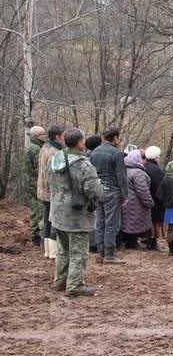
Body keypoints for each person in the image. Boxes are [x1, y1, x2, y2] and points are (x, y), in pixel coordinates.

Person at [47, 128, 103, 297]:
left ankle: (60, 281)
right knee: (78, 253)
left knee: (63, 250)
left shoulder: (54, 158)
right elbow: (94, 191)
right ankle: (75, 285)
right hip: (77, 217)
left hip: (57, 212)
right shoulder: (83, 164)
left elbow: (47, 179)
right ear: (79, 142)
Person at [89, 128, 128, 264]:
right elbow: (122, 176)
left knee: (100, 222)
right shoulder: (117, 153)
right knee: (111, 224)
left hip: (97, 190)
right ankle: (110, 255)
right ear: (115, 138)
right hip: (112, 191)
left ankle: (100, 253)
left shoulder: (94, 152)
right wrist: (125, 194)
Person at [37, 124, 65, 259]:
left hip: (43, 190)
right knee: (53, 222)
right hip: (51, 192)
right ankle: (53, 252)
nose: (64, 138)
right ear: (57, 136)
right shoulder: (55, 152)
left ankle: (48, 251)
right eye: (63, 135)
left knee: (47, 220)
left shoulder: (44, 147)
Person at [121, 150, 154, 249]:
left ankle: (128, 241)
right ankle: (132, 243)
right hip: (136, 204)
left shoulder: (123, 169)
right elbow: (143, 191)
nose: (144, 161)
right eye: (142, 158)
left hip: (124, 202)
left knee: (127, 222)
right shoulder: (138, 173)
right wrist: (150, 202)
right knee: (134, 223)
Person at [24, 126, 47, 246]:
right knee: (40, 210)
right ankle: (40, 237)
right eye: (43, 134)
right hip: (36, 183)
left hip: (30, 182)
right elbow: (40, 169)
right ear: (37, 136)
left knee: (34, 210)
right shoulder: (36, 149)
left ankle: (35, 236)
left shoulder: (30, 146)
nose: (45, 136)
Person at [143, 146, 165, 251]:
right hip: (154, 200)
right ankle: (152, 243)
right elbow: (160, 187)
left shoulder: (144, 166)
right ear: (156, 157)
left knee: (149, 221)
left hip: (144, 199)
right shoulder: (156, 170)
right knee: (155, 221)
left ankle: (148, 241)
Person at [84, 134, 102, 253]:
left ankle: (91, 243)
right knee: (95, 217)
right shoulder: (93, 158)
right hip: (93, 190)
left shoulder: (86, 157)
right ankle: (94, 244)